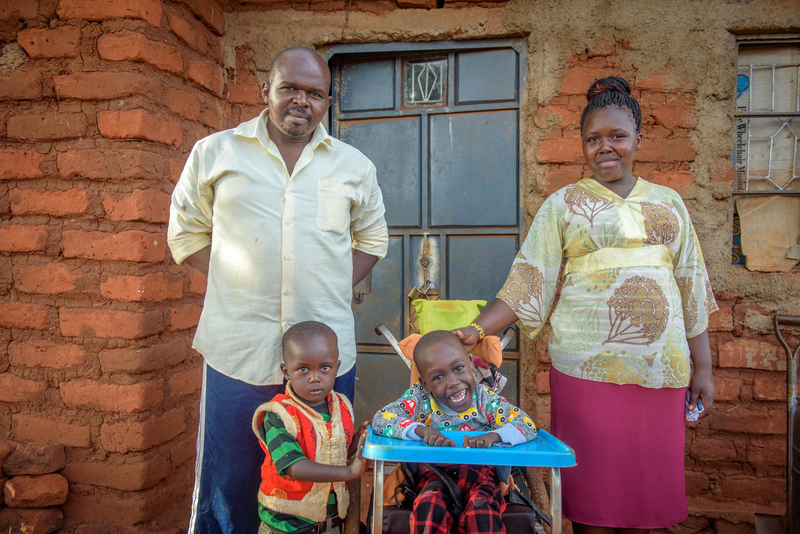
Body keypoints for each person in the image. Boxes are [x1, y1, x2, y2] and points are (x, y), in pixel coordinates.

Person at [454, 77, 717, 534]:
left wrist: (705, 369)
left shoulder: (669, 203)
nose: (605, 148)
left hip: (661, 372)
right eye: (593, 139)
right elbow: (527, 283)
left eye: (617, 136)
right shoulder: (563, 205)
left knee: (647, 501)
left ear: (639, 138)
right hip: (586, 372)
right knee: (592, 500)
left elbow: (691, 287)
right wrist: (476, 331)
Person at [167, 47, 388, 534]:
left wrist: (327, 286)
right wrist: (232, 280)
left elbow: (373, 240)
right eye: (289, 87)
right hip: (238, 349)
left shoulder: (353, 166)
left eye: (314, 93)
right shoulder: (215, 153)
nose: (300, 101)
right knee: (230, 481)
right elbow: (185, 234)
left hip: (323, 361)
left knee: (316, 484)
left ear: (328, 102)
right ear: (265, 90)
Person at [371, 330, 537, 534]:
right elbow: (381, 418)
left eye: (459, 368)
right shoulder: (421, 399)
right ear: (425, 384)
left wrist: (494, 436)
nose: (453, 382)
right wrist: (422, 430)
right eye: (438, 377)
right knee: (428, 507)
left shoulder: (484, 398)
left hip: (482, 476)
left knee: (482, 511)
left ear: (470, 365)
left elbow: (527, 424)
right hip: (435, 476)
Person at [253, 321, 369, 534]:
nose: (315, 378)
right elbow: (294, 467)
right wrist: (349, 472)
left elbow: (338, 452)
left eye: (325, 368)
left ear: (337, 367)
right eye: (303, 369)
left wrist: (357, 441)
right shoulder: (279, 415)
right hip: (286, 526)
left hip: (330, 524)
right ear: (286, 372)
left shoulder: (341, 406)